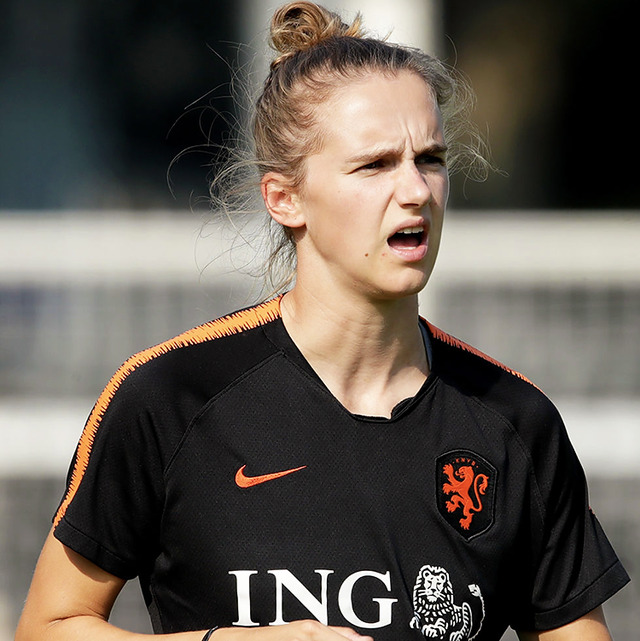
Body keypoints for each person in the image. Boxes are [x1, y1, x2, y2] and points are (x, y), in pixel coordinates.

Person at [16, 3, 629, 641]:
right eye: (375, 165)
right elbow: (48, 627)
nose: (416, 190)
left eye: (431, 159)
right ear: (284, 197)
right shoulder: (168, 398)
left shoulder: (515, 420)